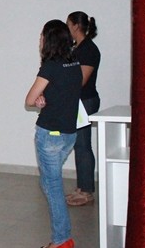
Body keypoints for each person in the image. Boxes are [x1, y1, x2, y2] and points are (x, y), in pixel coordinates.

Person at [25, 19, 82, 248]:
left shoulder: (50, 66)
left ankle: (61, 240)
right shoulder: (74, 63)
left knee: (53, 187)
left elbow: (29, 99)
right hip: (69, 133)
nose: (39, 39)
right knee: (51, 183)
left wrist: (38, 99)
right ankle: (63, 239)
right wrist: (44, 99)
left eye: (41, 36)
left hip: (50, 134)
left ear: (48, 40)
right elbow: (62, 94)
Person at [64, 11, 101, 206]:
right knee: (79, 144)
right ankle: (82, 187)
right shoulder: (76, 48)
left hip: (85, 101)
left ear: (76, 26)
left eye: (68, 24)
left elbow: (81, 80)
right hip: (78, 101)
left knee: (83, 145)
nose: (66, 28)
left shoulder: (88, 49)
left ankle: (86, 192)